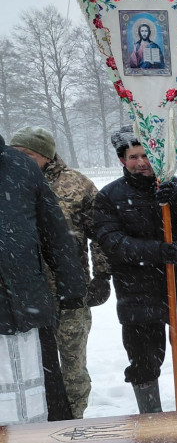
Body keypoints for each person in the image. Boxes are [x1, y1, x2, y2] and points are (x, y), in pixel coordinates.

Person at [94, 126, 177, 413]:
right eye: (134, 156)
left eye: (147, 155)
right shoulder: (110, 196)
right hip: (138, 292)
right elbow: (111, 241)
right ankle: (151, 420)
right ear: (123, 160)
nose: (142, 162)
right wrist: (155, 252)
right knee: (144, 360)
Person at [8, 126, 111, 418]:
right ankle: (36, 423)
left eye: (26, 154)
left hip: (69, 293)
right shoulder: (9, 184)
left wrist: (103, 276)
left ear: (45, 155)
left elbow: (99, 232)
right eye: (15, 153)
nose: (19, 159)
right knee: (31, 367)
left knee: (72, 363)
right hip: (22, 298)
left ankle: (74, 419)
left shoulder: (76, 184)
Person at [0, 133, 85, 423]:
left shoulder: (20, 166)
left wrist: (71, 284)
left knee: (46, 394)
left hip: (27, 300)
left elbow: (55, 231)